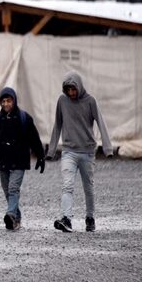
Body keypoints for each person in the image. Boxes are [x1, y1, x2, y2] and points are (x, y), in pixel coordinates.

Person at [46, 71, 113, 233]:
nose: (71, 93)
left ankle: (90, 217)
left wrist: (107, 148)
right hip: (68, 151)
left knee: (88, 187)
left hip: (87, 152)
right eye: (68, 90)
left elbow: (101, 122)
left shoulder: (90, 101)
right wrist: (51, 149)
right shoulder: (62, 101)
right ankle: (66, 219)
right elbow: (58, 124)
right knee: (67, 186)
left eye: (73, 89)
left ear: (79, 87)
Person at [0, 87, 45, 231]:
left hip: (19, 160)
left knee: (13, 188)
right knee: (7, 190)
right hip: (3, 160)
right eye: (3, 101)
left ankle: (10, 214)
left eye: (9, 100)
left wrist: (40, 156)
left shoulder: (25, 118)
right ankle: (16, 219)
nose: (6, 104)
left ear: (14, 100)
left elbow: (34, 139)